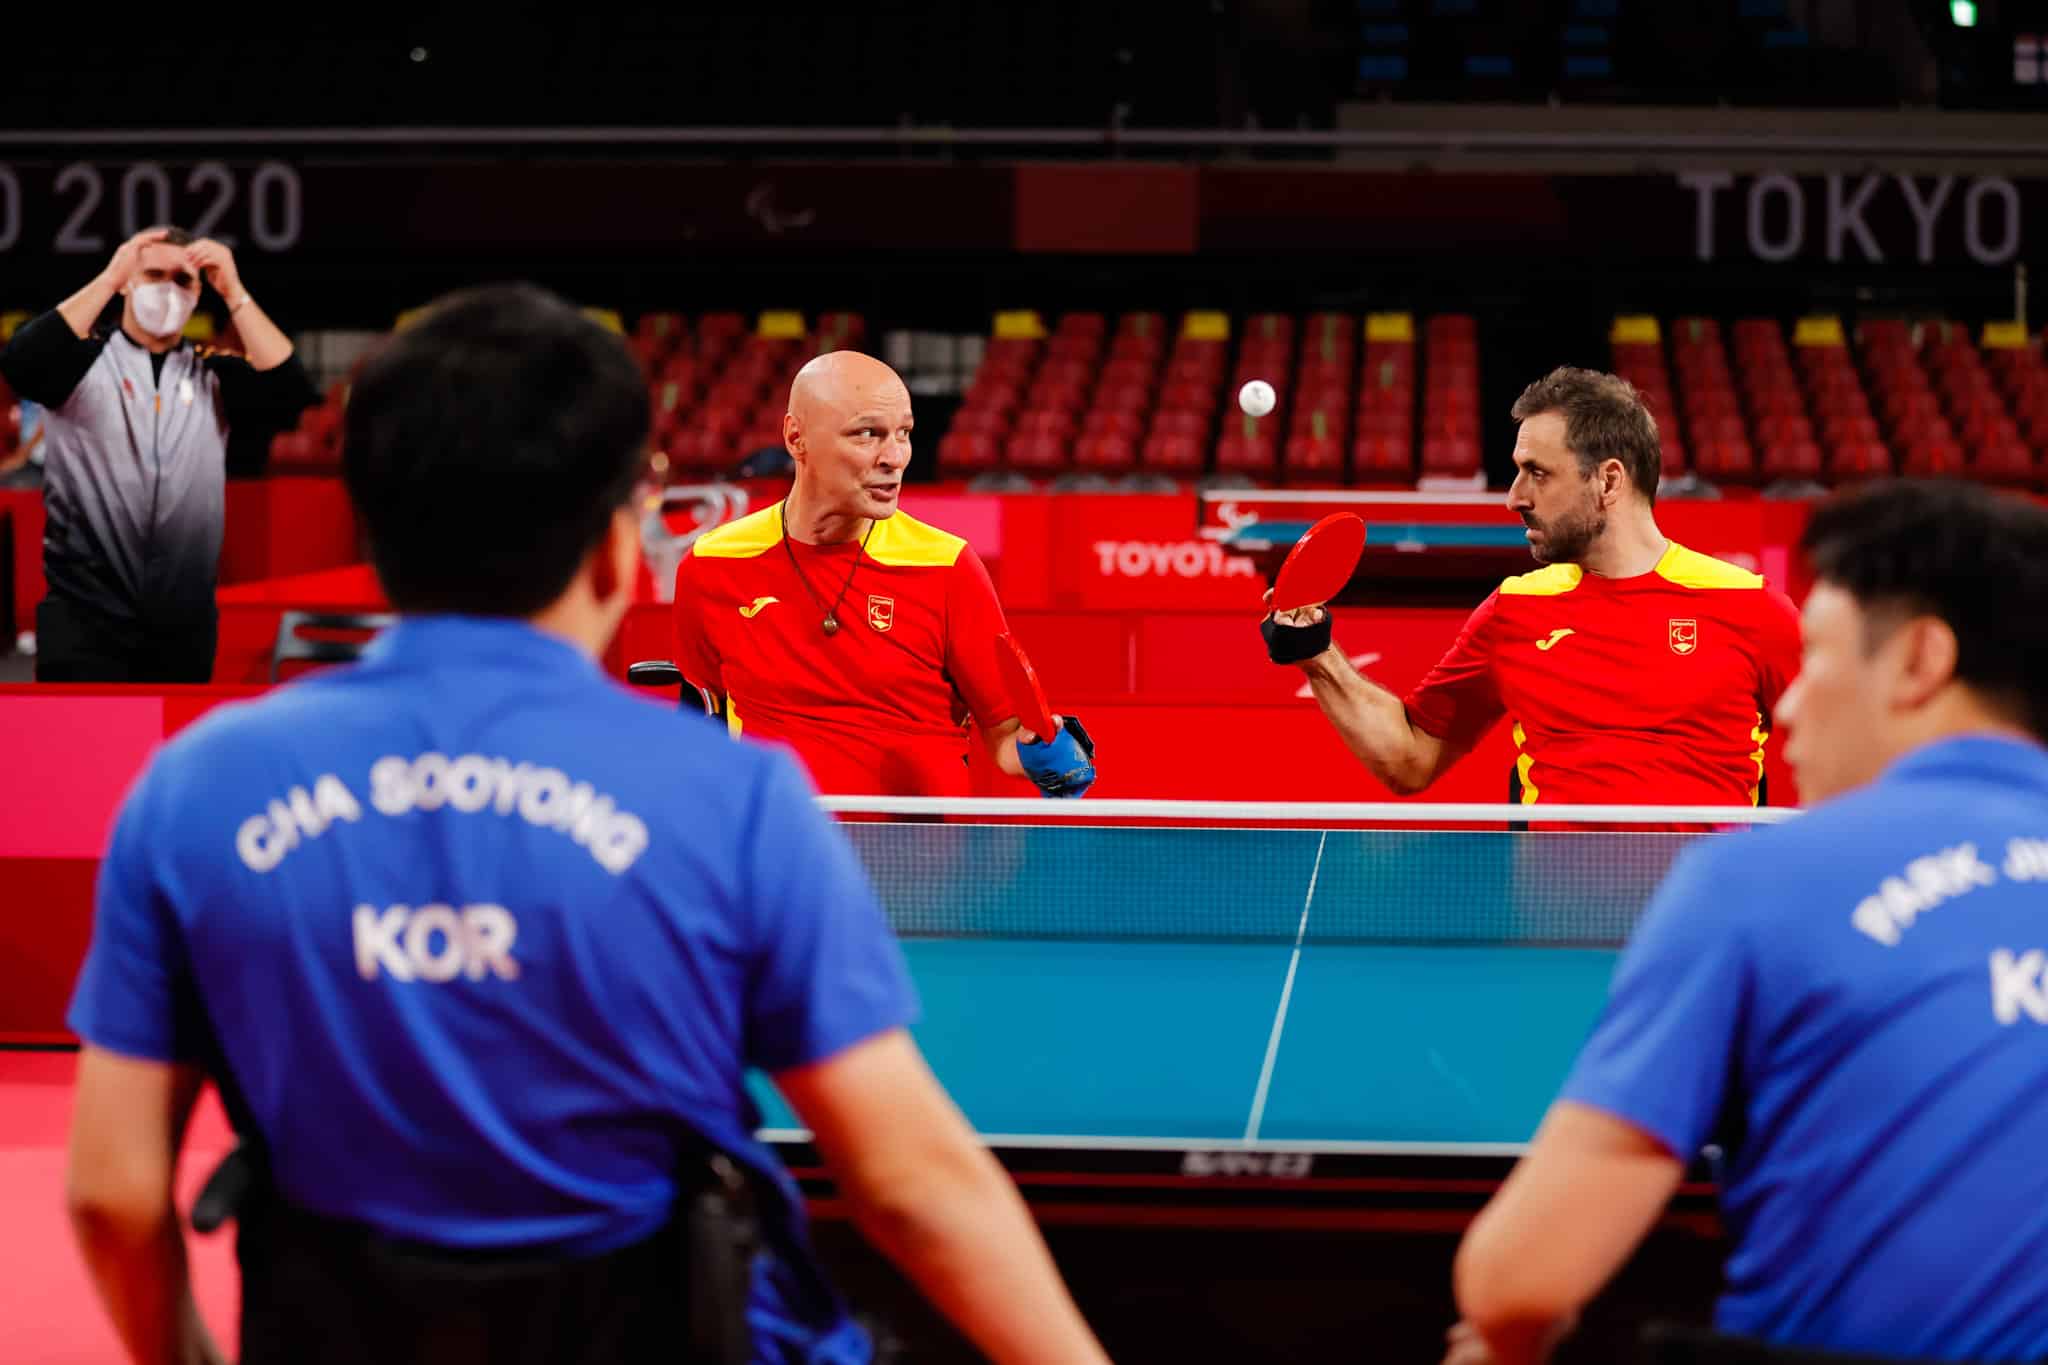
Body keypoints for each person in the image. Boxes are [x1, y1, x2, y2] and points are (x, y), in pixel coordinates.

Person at [63, 284, 1110, 1365]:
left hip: (329, 1323)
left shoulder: (192, 791)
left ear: (370, 533)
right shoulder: (740, 804)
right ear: (621, 548)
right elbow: (911, 1187)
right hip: (638, 1323)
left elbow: (109, 1195)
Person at [1444, 479, 2048, 1365]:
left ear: (1920, 660)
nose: (1790, 707)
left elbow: (1515, 1282)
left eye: (1823, 659)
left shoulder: (1754, 881)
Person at [1265, 367, 1801, 807]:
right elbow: (1411, 759)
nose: (1514, 497)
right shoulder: (1516, 610)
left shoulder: (1751, 608)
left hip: (1703, 925)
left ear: (1608, 481)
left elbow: (1860, 759)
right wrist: (1317, 654)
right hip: (1554, 921)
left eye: (1536, 473)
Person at [668, 349, 1095, 799]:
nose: (895, 458)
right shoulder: (712, 566)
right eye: (868, 434)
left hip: (921, 861)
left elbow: (1004, 732)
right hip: (781, 854)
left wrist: (1039, 753)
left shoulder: (947, 567)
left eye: (904, 433)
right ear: (797, 438)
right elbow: (702, 716)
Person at [0, 226, 315, 682]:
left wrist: (235, 291)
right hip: (83, 623)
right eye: (153, 274)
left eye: (183, 280)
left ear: (198, 291)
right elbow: (21, 362)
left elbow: (291, 395)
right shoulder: (78, 362)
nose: (168, 289)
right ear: (129, 280)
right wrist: (110, 276)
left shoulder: (213, 373)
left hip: (182, 627)